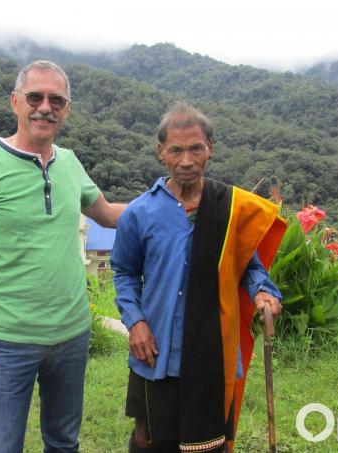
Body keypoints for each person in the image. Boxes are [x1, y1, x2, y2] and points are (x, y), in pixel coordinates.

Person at [0, 60, 125, 453]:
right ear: (15, 102)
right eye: (34, 97)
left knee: (63, 442)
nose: (45, 107)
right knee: (3, 446)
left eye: (56, 100)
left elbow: (106, 213)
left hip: (72, 333)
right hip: (8, 339)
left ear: (66, 109)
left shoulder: (69, 162)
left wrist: (169, 203)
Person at [111, 102, 287, 453]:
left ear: (210, 148)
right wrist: (135, 323)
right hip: (155, 348)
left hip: (212, 350)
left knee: (208, 443)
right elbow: (125, 272)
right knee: (147, 438)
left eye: (196, 148)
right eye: (176, 150)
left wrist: (263, 292)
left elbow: (249, 267)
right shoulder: (140, 213)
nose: (186, 160)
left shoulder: (228, 207)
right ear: (161, 152)